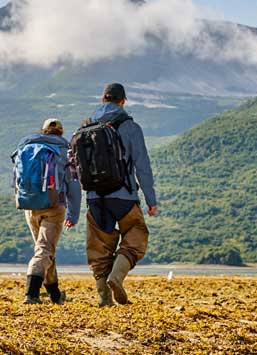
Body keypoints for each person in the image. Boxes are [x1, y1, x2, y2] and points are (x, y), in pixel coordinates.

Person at [80, 83, 158, 306]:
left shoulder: (86, 127)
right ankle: (117, 277)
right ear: (123, 101)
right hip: (123, 195)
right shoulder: (130, 126)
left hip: (95, 197)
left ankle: (104, 297)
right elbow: (142, 166)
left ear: (102, 99)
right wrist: (151, 201)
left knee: (99, 248)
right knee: (136, 236)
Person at [14, 118, 81, 305]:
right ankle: (31, 294)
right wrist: (73, 214)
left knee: (44, 250)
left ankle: (54, 294)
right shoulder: (66, 151)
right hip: (54, 207)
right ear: (60, 132)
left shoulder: (27, 147)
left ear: (43, 131)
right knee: (44, 250)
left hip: (30, 206)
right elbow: (74, 185)